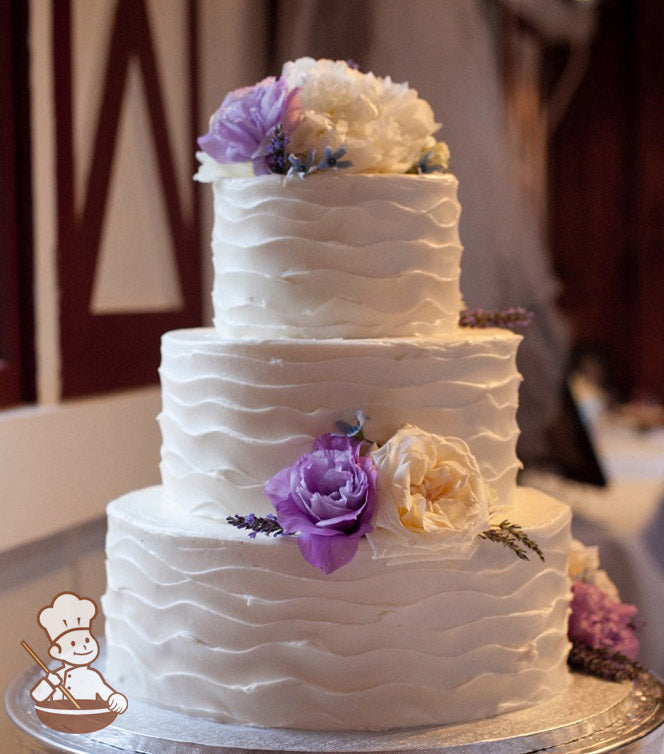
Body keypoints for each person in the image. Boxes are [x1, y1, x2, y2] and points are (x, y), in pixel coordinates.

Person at [29, 592, 127, 713]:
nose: (84, 647)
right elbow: (37, 697)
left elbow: (108, 694)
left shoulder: (92, 677)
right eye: (73, 644)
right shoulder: (56, 677)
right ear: (57, 652)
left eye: (87, 640)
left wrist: (117, 699)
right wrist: (49, 683)